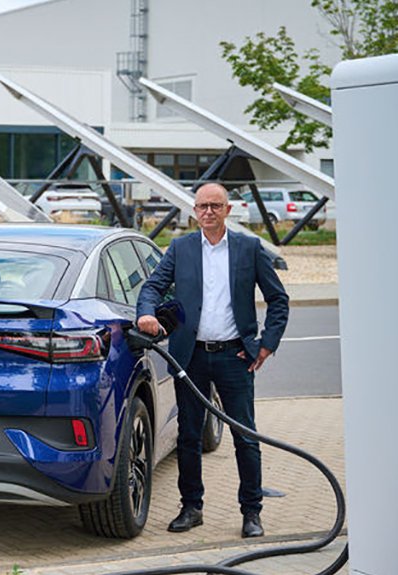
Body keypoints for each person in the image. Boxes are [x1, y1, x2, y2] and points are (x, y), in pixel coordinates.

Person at [137, 182, 289, 539]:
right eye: (202, 206)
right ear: (194, 211)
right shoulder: (181, 248)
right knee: (189, 436)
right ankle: (192, 508)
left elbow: (278, 299)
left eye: (215, 206)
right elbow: (151, 287)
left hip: (235, 358)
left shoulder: (249, 249)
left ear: (227, 210)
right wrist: (146, 314)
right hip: (190, 358)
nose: (208, 212)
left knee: (245, 437)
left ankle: (251, 512)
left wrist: (265, 345)